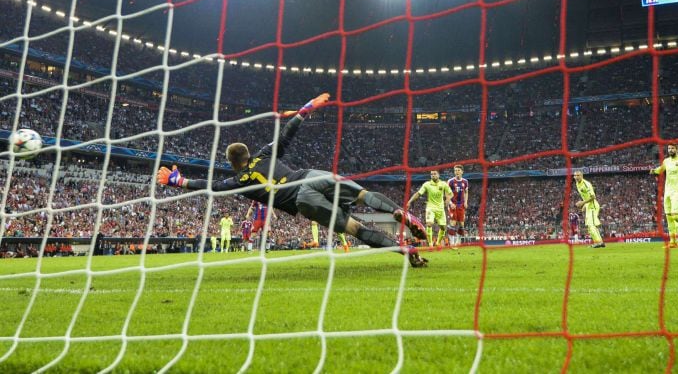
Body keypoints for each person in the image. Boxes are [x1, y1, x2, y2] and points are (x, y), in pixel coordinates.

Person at [156, 93, 428, 267]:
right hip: (311, 176)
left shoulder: (240, 180)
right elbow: (286, 134)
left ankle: (404, 248)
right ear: (248, 153)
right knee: (362, 195)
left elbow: (211, 187)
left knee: (355, 228)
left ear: (232, 163)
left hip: (301, 200)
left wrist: (179, 181)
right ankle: (399, 211)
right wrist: (305, 109)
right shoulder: (263, 154)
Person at [406, 170, 453, 248]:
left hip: (440, 209)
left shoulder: (443, 184)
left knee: (443, 227)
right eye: (431, 174)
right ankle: (430, 244)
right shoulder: (427, 184)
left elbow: (451, 193)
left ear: (438, 175)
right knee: (429, 224)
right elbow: (418, 193)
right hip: (430, 208)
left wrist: (448, 199)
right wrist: (410, 201)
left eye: (435, 174)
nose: (433, 175)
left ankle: (438, 243)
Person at [573, 170, 605, 248]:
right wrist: (584, 206)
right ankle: (599, 242)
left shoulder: (586, 184)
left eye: (578, 175)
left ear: (582, 176)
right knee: (589, 226)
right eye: (575, 176)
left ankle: (598, 242)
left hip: (593, 206)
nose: (576, 177)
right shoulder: (577, 184)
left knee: (591, 225)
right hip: (588, 206)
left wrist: (582, 203)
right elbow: (585, 196)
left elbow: (593, 197)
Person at [446, 164, 469, 248]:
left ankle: (458, 240)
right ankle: (451, 242)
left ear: (462, 172)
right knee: (453, 222)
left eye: (458, 170)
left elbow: (466, 192)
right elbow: (446, 193)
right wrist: (450, 203)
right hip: (453, 204)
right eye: (455, 170)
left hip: (461, 204)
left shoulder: (465, 181)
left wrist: (466, 202)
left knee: (461, 224)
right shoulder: (450, 181)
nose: (457, 172)